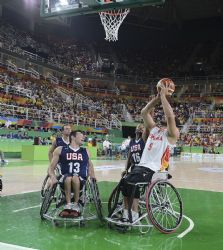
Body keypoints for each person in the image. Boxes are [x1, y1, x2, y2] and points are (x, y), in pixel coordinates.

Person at [121, 84, 179, 222]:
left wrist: (164, 97)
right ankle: (126, 213)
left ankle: (133, 215)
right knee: (124, 183)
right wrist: (157, 98)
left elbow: (170, 116)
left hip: (156, 169)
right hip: (142, 167)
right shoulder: (154, 129)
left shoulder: (172, 134)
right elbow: (144, 112)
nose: (165, 119)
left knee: (134, 183)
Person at [49, 130, 96, 218]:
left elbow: (90, 165)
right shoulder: (60, 149)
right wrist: (52, 177)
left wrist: (92, 176)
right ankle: (68, 204)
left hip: (81, 180)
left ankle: (76, 204)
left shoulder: (86, 150)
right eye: (81, 135)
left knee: (74, 177)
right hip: (64, 179)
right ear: (73, 137)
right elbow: (51, 168)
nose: (83, 137)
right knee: (68, 177)